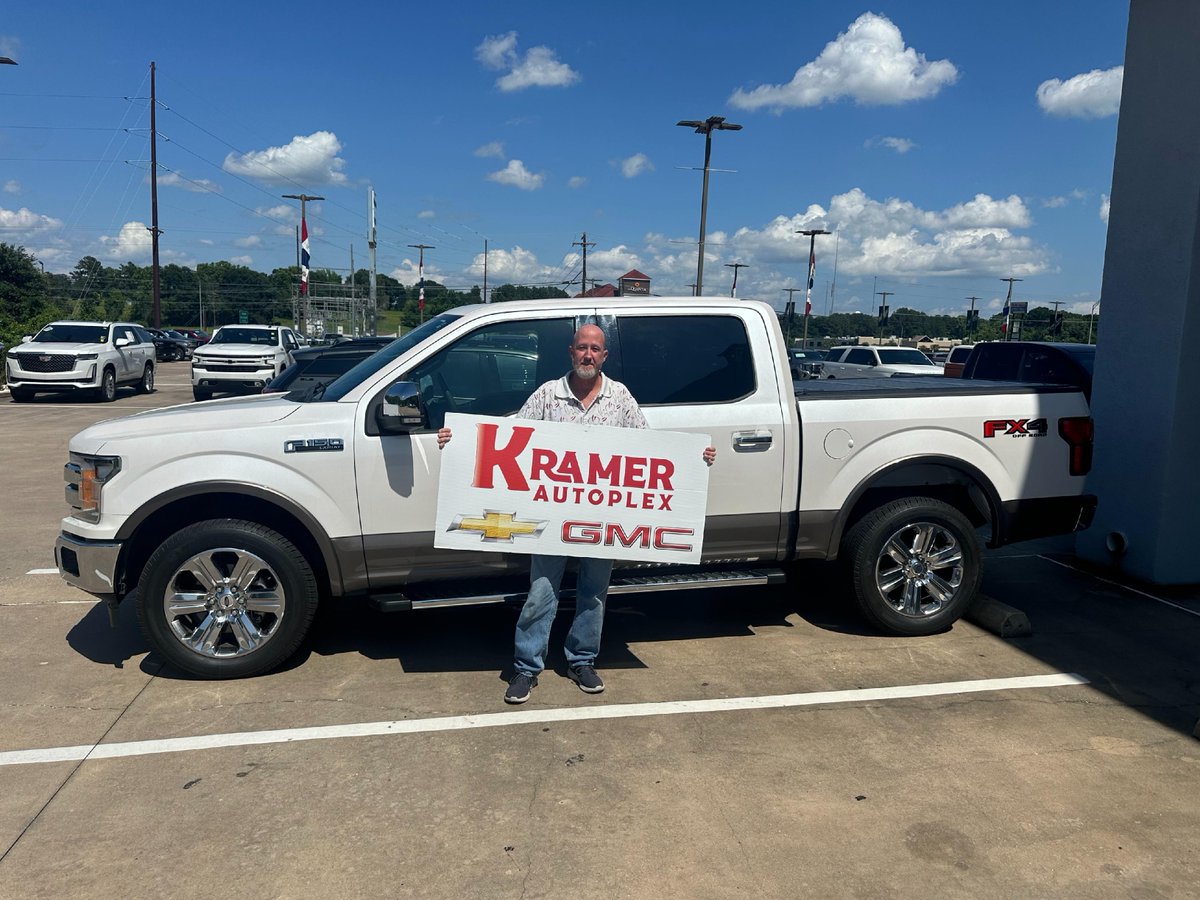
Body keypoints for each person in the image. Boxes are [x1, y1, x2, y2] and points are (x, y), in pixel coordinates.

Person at [438, 323, 716, 704]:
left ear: (604, 355)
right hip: (549, 519)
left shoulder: (619, 398)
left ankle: (582, 659)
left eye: (595, 349)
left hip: (602, 521)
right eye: (582, 348)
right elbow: (506, 439)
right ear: (571, 352)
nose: (588, 355)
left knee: (594, 593)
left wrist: (694, 460)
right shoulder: (548, 395)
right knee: (541, 592)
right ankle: (526, 667)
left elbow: (652, 449)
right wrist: (460, 443)